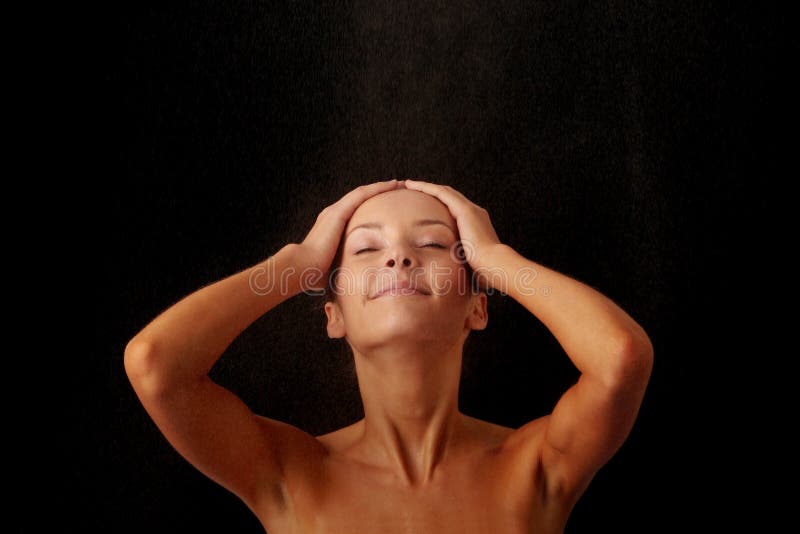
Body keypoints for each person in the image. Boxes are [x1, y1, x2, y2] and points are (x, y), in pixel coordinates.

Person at [125, 179, 653, 533]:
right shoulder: (290, 473)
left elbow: (620, 358)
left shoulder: (533, 468)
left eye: (433, 244)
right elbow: (156, 365)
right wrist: (299, 262)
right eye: (364, 249)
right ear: (333, 315)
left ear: (477, 307)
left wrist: (497, 257)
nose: (399, 257)